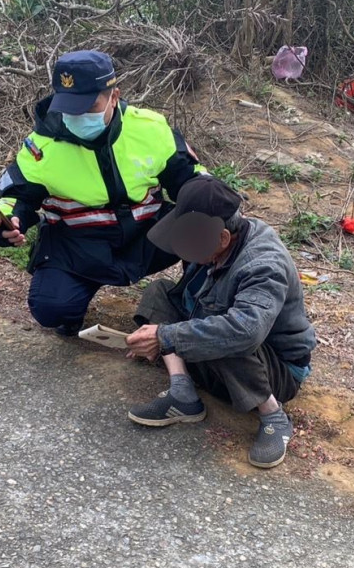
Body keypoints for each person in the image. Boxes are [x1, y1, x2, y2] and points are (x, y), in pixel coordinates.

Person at [0, 50, 205, 336]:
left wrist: (221, 205)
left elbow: (190, 179)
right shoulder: (42, 147)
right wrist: (7, 223)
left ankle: (199, 303)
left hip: (147, 237)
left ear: (114, 96)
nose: (77, 115)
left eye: (88, 105)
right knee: (51, 309)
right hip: (79, 247)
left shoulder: (150, 129)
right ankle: (70, 306)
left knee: (204, 216)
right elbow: (16, 197)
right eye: (69, 106)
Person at [124, 177, 316, 469]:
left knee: (227, 332)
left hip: (277, 369)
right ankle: (182, 393)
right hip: (230, 343)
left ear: (224, 237)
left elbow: (246, 330)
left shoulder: (263, 264)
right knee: (159, 292)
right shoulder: (216, 243)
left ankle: (274, 417)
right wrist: (161, 334)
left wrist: (166, 337)